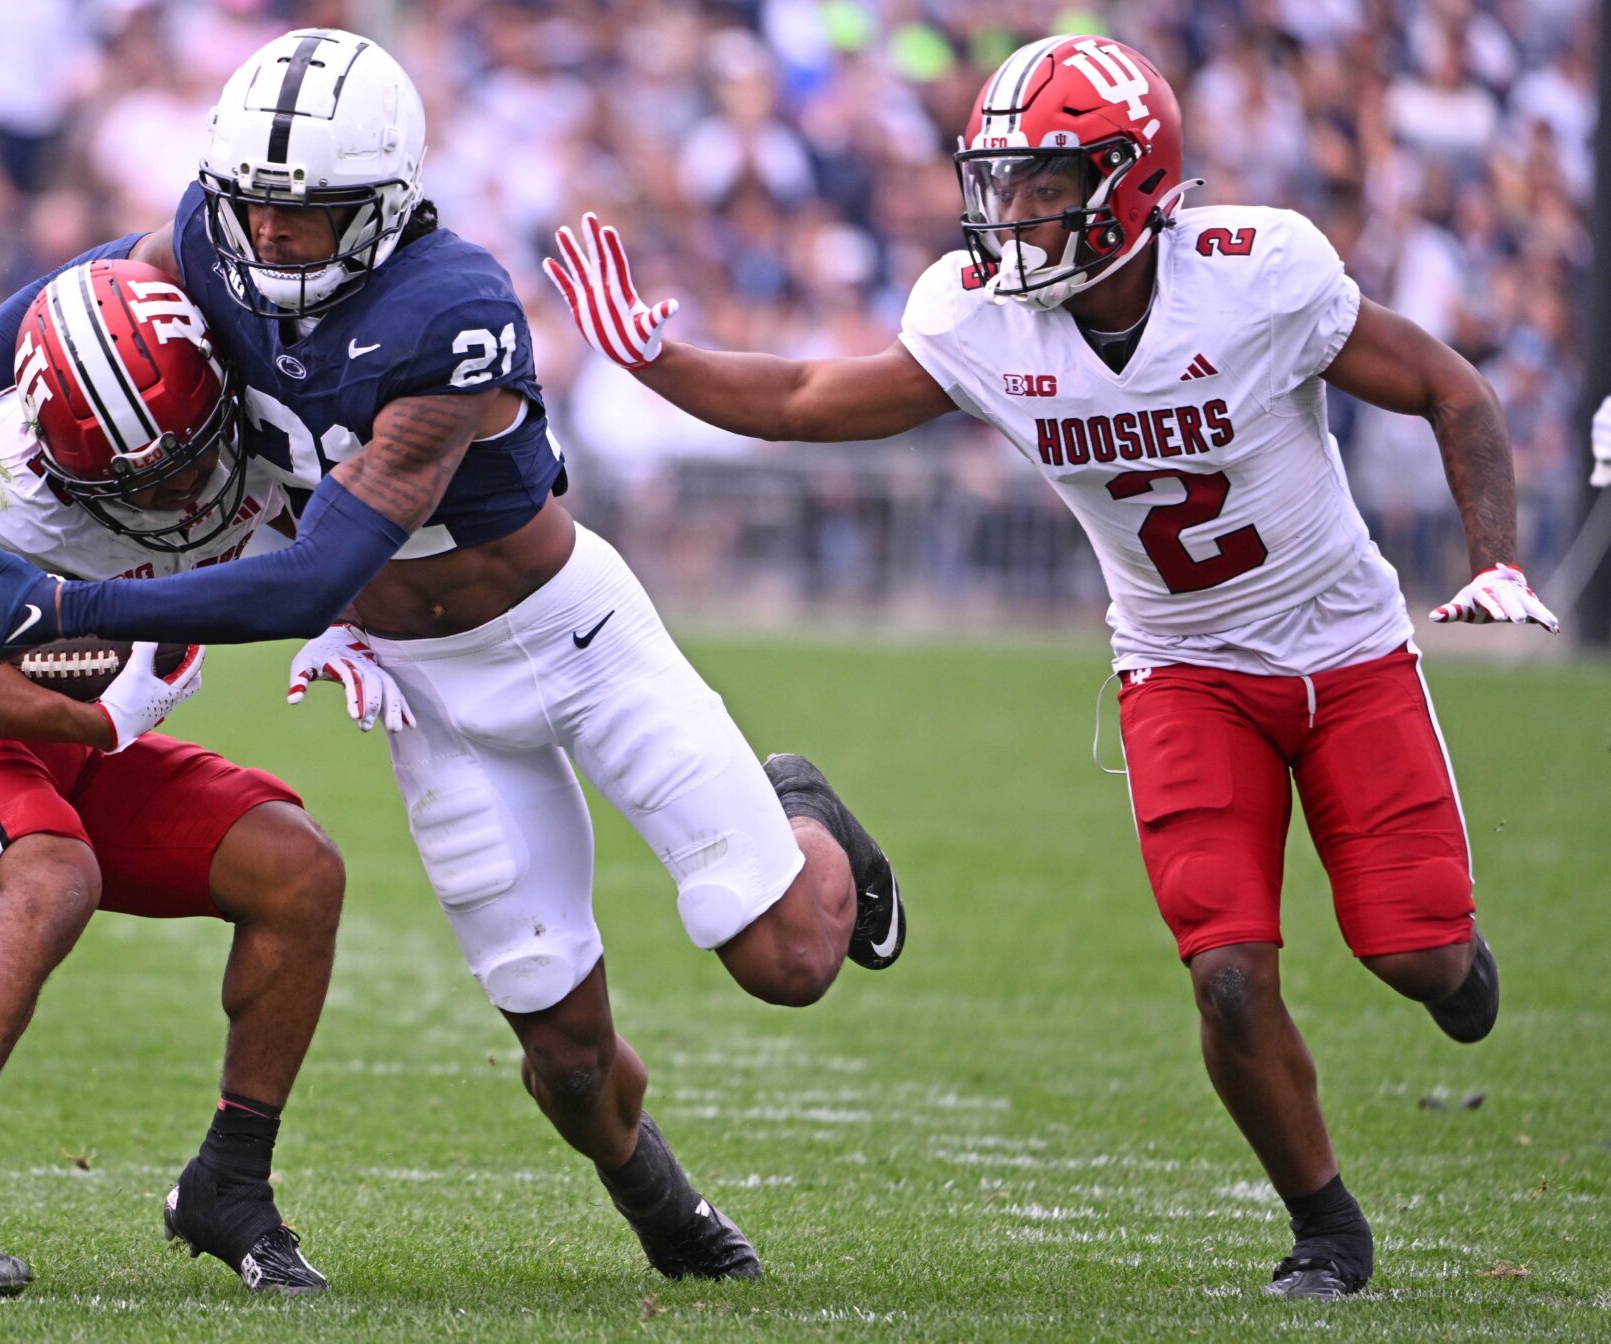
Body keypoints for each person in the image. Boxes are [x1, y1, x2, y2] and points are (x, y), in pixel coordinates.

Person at [546, 35, 1549, 1301]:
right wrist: (657, 361)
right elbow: (807, 393)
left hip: (1346, 651)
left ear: (1132, 182)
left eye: (1040, 184)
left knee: (1418, 962)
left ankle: (1455, 966)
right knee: (1228, 977)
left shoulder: (1258, 276)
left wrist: (1496, 559)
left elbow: (1449, 388)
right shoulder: (986, 323)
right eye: (1000, 182)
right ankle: (1326, 1232)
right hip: (1179, 668)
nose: (1009, 213)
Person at [0, 29, 902, 1281]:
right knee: (567, 1058)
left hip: (573, 639)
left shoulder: (450, 315)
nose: (268, 247)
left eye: (304, 224)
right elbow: (96, 272)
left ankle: (799, 812)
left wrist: (60, 606)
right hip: (428, 691)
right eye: (251, 215)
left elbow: (314, 575)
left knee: (789, 961)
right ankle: (664, 1210)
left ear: (382, 207)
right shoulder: (226, 235)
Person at [0, 259, 347, 1296]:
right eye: (136, 482)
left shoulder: (244, 377)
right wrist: (87, 717)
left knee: (299, 871)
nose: (180, 493)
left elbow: (143, 244)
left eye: (187, 457)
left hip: (80, 744)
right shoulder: (1, 483)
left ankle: (228, 1184)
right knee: (55, 880)